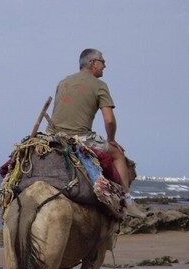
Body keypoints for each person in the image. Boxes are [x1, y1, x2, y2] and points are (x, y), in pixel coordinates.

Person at [47, 48, 146, 218]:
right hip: (80, 138)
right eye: (103, 62)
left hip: (51, 136)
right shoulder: (100, 85)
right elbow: (109, 120)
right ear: (93, 63)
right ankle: (128, 201)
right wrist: (111, 139)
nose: (104, 66)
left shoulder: (63, 82)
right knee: (118, 154)